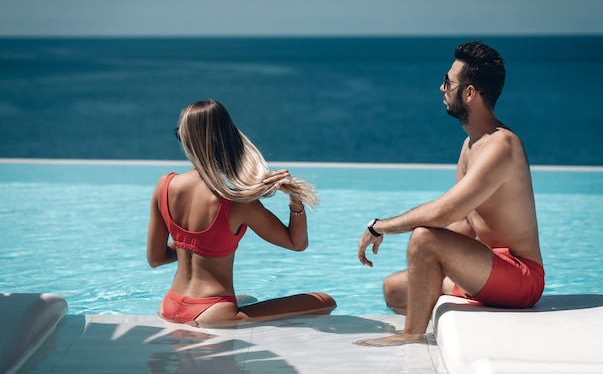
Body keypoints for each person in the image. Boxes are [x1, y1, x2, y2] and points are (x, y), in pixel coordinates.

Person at [355, 41, 544, 346]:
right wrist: (429, 261)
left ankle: (411, 336)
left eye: (448, 82)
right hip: (488, 267)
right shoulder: (471, 144)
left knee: (424, 237)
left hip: (522, 279)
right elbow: (464, 224)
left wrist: (380, 226)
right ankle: (445, 299)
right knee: (394, 289)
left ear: (469, 93)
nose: (441, 88)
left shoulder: (502, 145)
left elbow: (446, 212)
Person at [147, 99, 336, 327]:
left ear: (186, 139)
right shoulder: (236, 201)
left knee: (250, 300)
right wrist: (295, 200)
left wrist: (195, 242)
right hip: (212, 312)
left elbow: (156, 258)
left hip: (170, 306)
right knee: (324, 301)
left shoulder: (164, 185)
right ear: (228, 137)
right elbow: (296, 243)